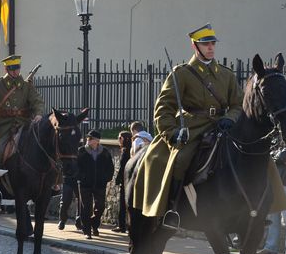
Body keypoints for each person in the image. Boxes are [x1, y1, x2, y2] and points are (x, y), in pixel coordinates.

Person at [133, 23, 243, 227]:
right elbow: (163, 107)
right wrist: (172, 133)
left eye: (212, 43)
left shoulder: (226, 74)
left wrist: (231, 118)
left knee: (252, 155)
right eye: (205, 44)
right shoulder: (182, 73)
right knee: (181, 159)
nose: (210, 47)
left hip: (222, 126)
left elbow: (237, 104)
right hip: (194, 128)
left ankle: (251, 211)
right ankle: (172, 211)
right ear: (195, 46)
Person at [0, 55, 44, 166]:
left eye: (17, 68)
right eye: (12, 68)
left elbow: (37, 101)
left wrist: (38, 114)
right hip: (4, 127)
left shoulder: (26, 86)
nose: (15, 71)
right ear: (6, 69)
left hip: (24, 124)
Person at [257, 140, 286, 254]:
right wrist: (275, 155)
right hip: (274, 183)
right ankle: (271, 247)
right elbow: (268, 156)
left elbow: (283, 156)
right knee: (272, 217)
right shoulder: (276, 141)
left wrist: (275, 155)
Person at [77, 129, 115, 239]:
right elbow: (76, 167)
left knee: (101, 206)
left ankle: (94, 224)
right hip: (85, 184)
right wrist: (81, 177)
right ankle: (87, 231)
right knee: (86, 208)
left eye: (91, 138)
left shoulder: (105, 152)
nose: (88, 140)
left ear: (97, 140)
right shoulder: (81, 151)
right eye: (88, 138)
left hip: (100, 184)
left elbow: (110, 167)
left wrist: (106, 178)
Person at [112, 130, 132, 233]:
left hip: (125, 182)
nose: (118, 140)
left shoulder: (125, 152)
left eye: (119, 138)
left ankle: (122, 226)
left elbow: (123, 168)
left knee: (123, 204)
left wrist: (117, 180)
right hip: (129, 181)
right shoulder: (131, 150)